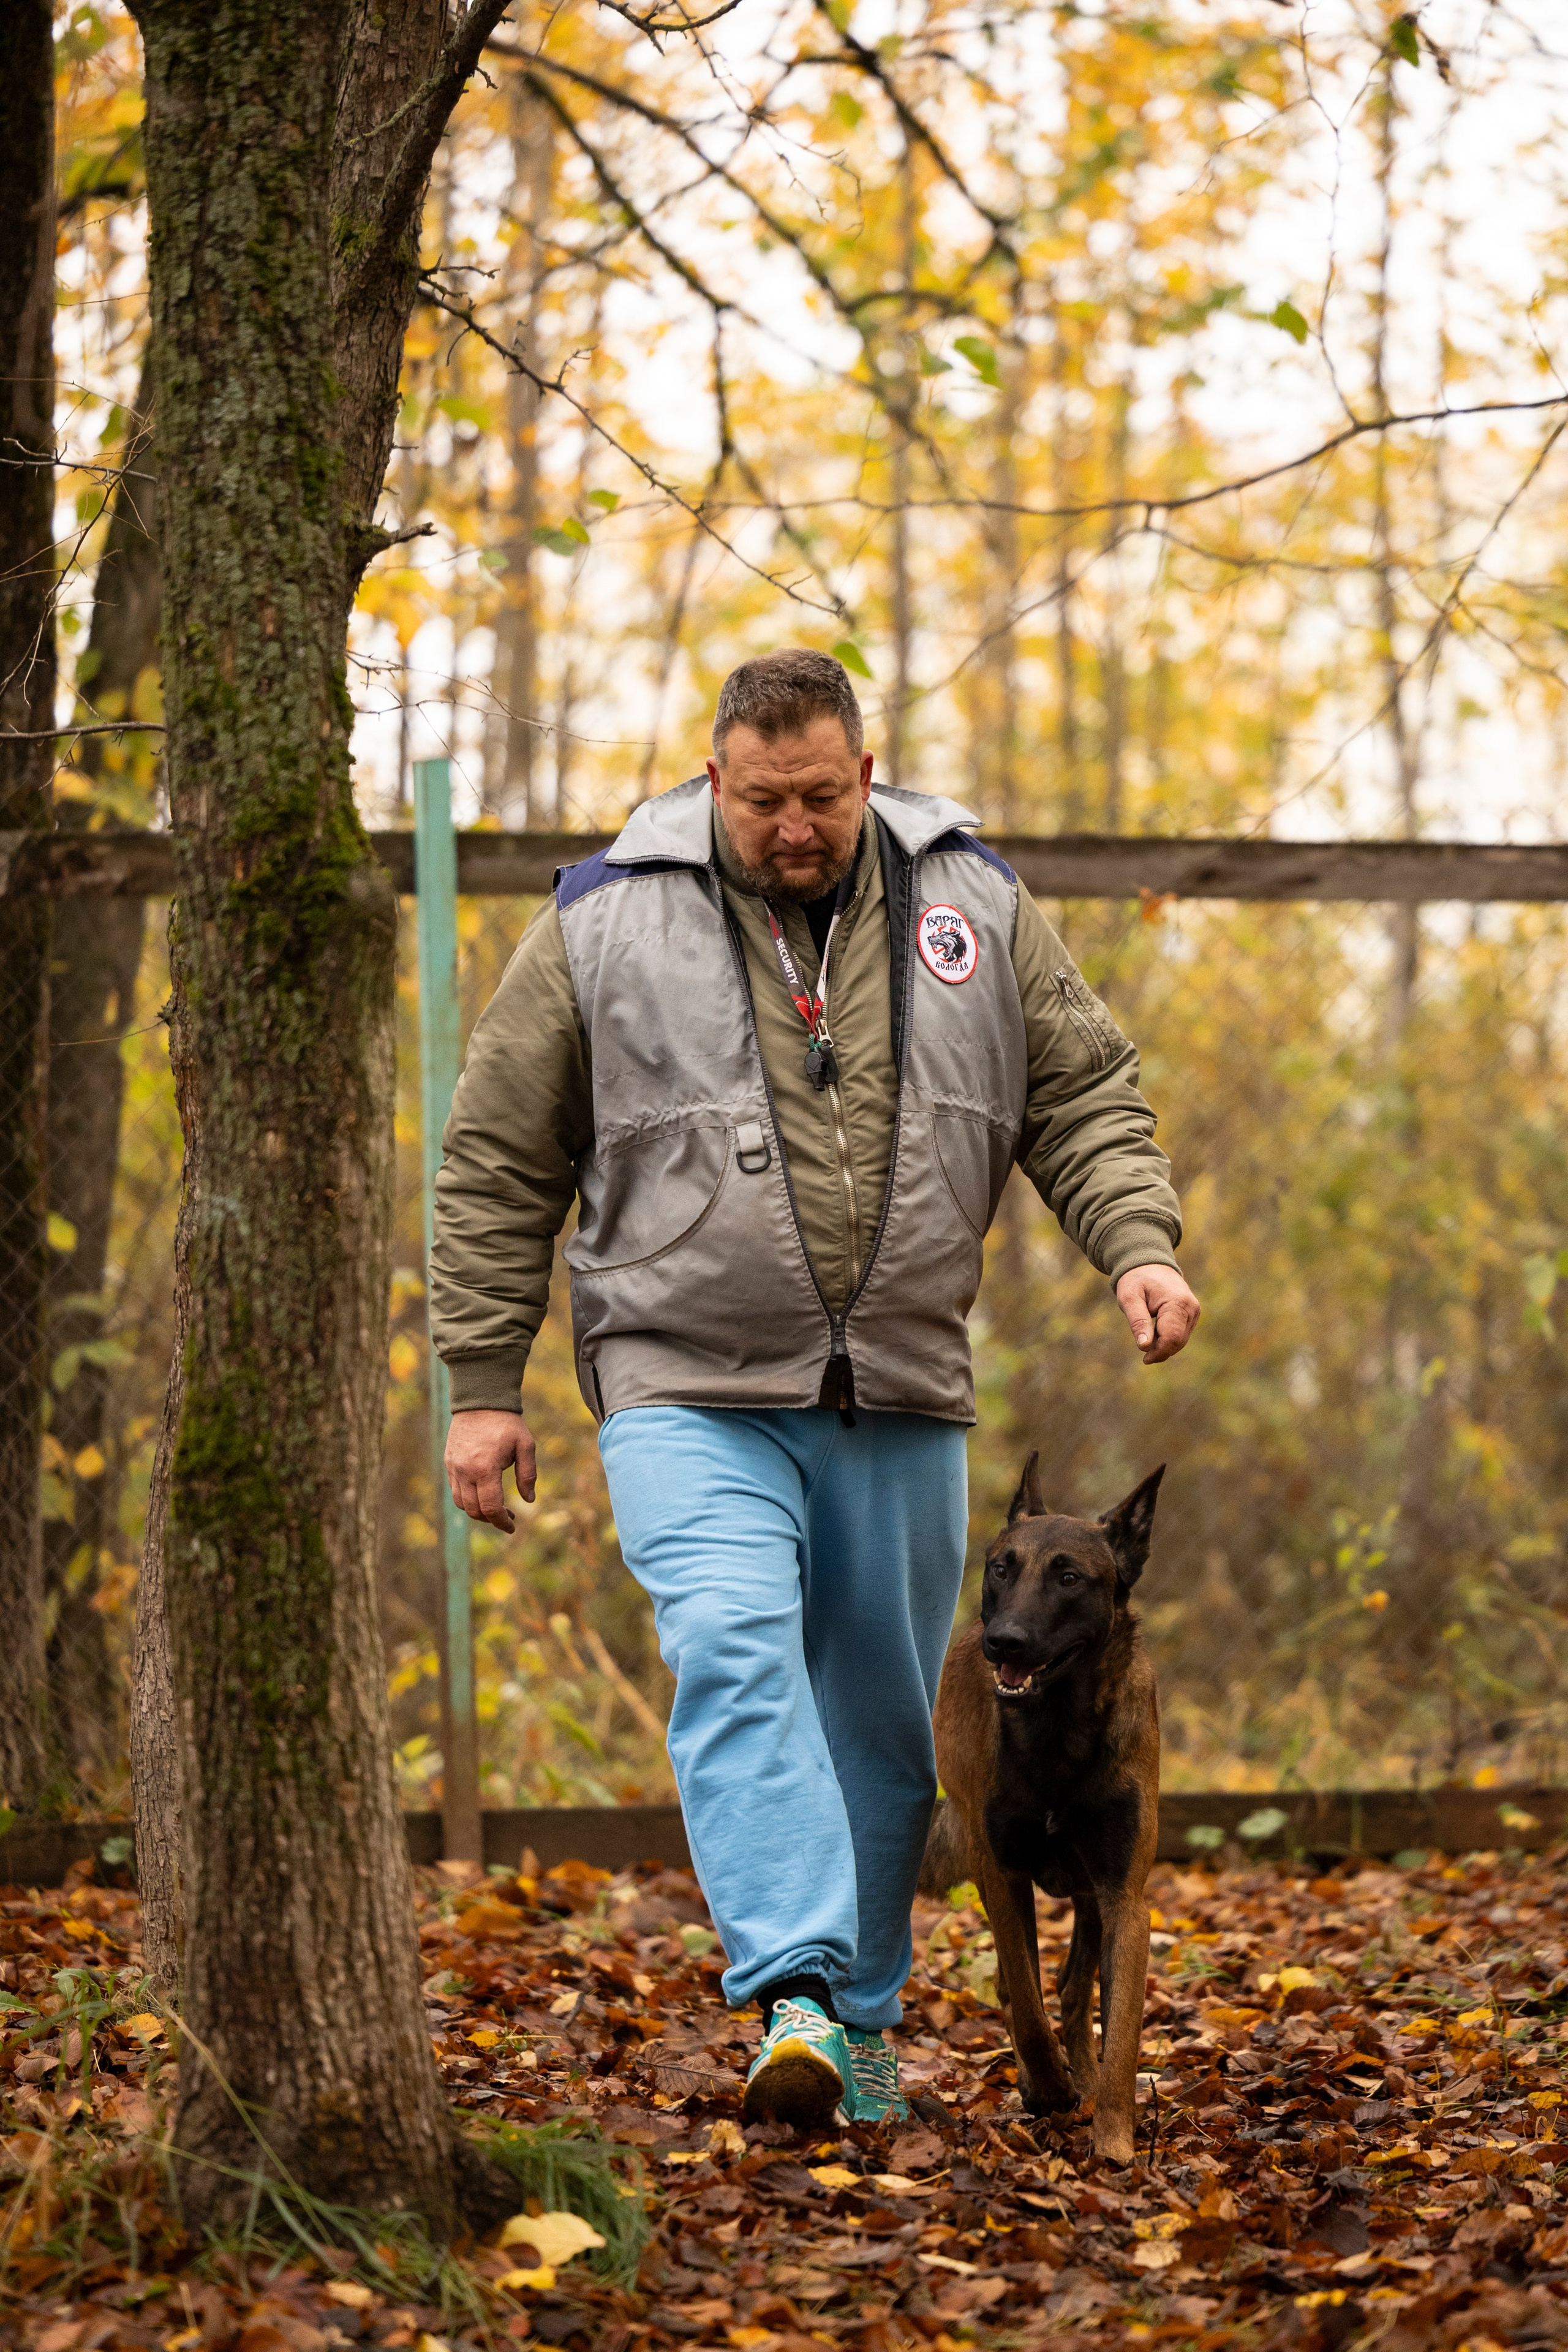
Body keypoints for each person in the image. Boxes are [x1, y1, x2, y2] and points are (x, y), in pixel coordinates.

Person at [431, 648, 1199, 2130]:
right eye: (766, 798)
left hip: (901, 1381)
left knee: (881, 1735)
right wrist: (483, 1381)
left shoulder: (969, 901)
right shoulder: (604, 919)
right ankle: (790, 1990)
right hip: (680, 1374)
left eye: (825, 797)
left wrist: (1135, 1247)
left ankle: (860, 2030)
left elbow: (1083, 1091)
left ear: (868, 770)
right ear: (712, 779)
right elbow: (499, 1153)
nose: (797, 826)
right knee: (726, 1643)